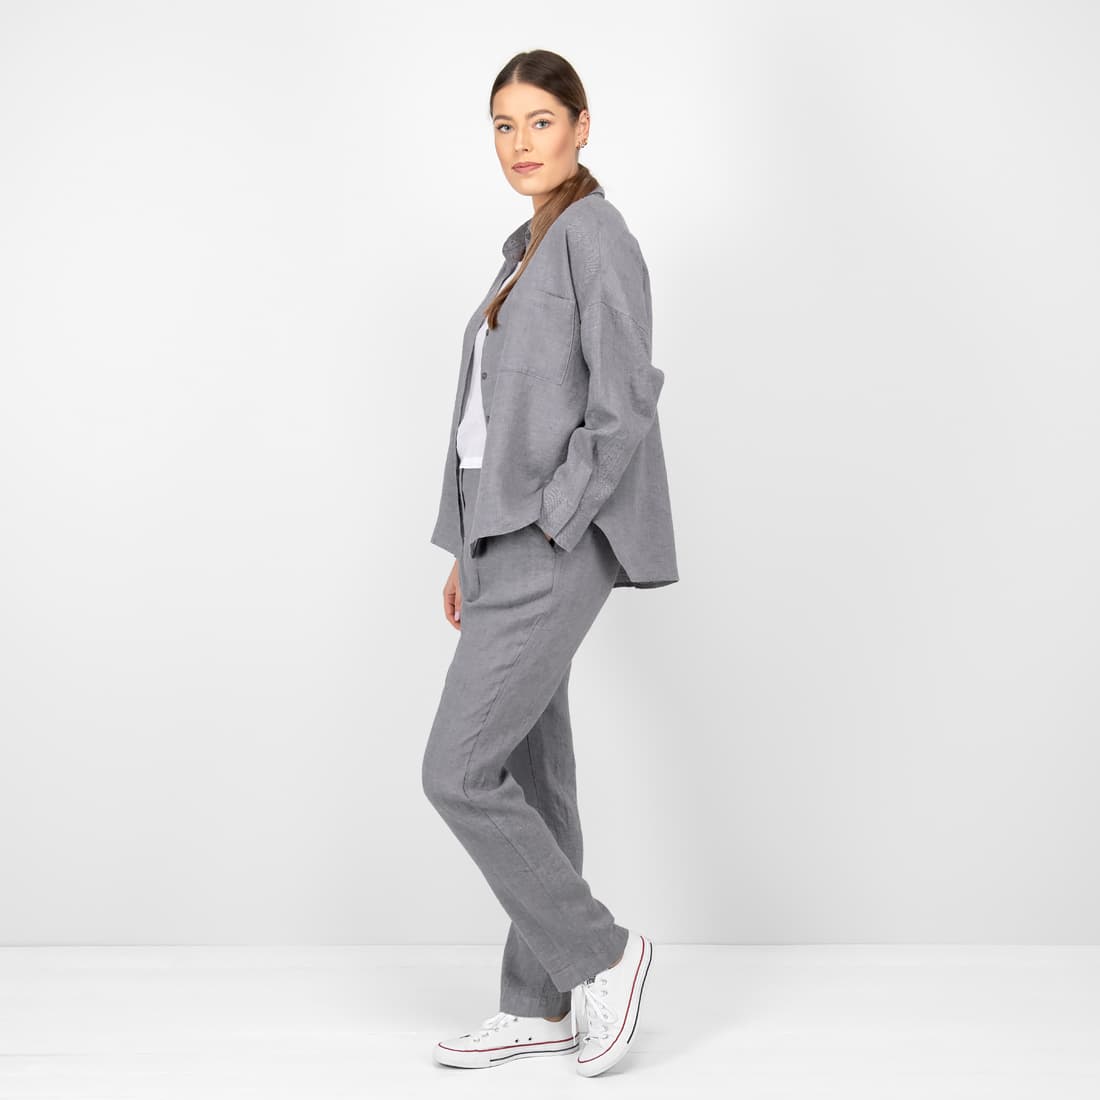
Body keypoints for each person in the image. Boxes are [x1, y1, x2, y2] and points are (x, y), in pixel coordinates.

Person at [422, 49, 677, 1078]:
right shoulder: (523, 247)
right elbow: (487, 420)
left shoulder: (593, 235)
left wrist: (554, 521)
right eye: (503, 124)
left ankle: (603, 952)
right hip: (497, 537)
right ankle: (538, 1002)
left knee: (455, 771)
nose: (520, 143)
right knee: (530, 771)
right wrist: (465, 542)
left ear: (580, 126)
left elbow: (624, 396)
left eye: (539, 121)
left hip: (548, 537)